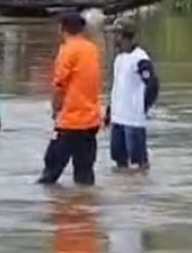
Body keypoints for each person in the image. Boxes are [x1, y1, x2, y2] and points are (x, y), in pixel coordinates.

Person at [38, 12, 103, 186]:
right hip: (91, 119)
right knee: (85, 172)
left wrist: (55, 109)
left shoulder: (67, 50)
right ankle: (85, 206)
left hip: (70, 120)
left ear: (62, 29)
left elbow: (59, 84)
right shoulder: (92, 49)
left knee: (50, 172)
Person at [106, 21, 159, 171]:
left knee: (138, 163)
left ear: (123, 36)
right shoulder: (119, 59)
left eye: (115, 35)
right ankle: (126, 191)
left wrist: (143, 107)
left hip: (133, 120)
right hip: (118, 118)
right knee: (119, 159)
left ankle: (140, 190)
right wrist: (110, 111)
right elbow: (117, 88)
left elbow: (153, 84)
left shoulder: (140, 59)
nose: (112, 38)